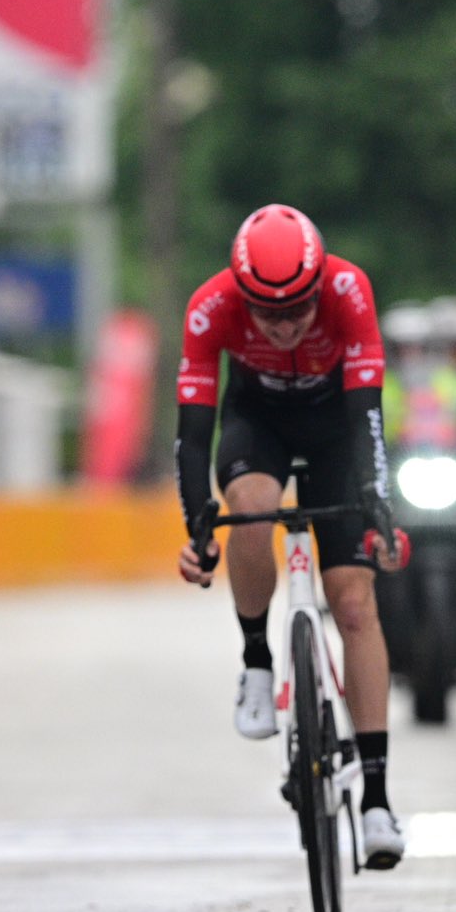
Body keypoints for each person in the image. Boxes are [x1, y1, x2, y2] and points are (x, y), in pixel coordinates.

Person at [174, 204, 410, 870]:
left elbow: (368, 420)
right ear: (239, 294)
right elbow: (192, 434)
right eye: (265, 314)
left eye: (296, 312)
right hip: (259, 424)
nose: (281, 327)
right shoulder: (209, 307)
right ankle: (256, 660)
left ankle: (378, 801)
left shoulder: (347, 290)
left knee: (355, 604)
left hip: (337, 429)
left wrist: (380, 508)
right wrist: (199, 528)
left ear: (316, 289)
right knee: (249, 510)